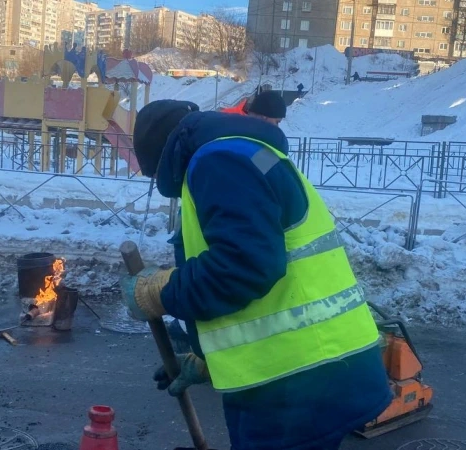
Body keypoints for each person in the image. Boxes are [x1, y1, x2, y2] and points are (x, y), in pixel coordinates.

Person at [120, 99, 392, 450]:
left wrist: (159, 292)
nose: (160, 183)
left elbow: (244, 266)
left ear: (163, 157)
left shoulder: (218, 163)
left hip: (296, 387)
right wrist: (209, 360)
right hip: (320, 371)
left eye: (154, 174)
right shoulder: (248, 154)